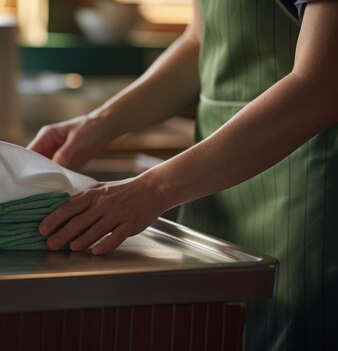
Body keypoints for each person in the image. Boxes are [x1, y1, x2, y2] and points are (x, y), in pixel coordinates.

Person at [27, 0, 338, 349]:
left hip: (305, 192)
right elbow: (199, 41)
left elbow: (322, 85)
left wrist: (155, 188)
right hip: (210, 186)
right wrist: (99, 124)